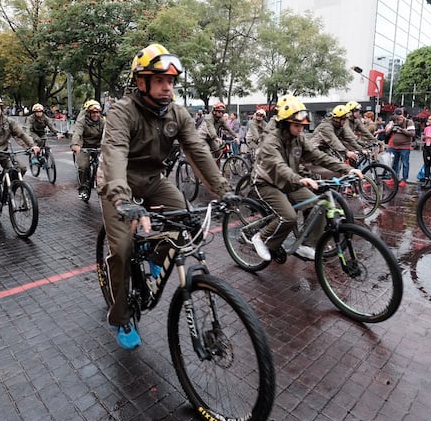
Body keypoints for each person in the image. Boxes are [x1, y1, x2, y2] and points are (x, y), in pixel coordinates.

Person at [98, 43, 236, 351]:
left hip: (153, 180)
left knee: (187, 220)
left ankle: (158, 257)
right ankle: (121, 316)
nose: (167, 87)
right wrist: (121, 198)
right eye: (160, 80)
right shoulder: (122, 112)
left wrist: (224, 190)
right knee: (121, 248)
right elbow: (116, 153)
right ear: (141, 81)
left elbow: (198, 151)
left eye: (171, 81)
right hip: (117, 183)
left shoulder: (178, 112)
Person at [248, 95, 365, 262]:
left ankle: (306, 244)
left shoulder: (300, 138)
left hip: (289, 182)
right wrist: (299, 179)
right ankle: (261, 238)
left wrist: (347, 169)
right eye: (296, 125)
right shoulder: (271, 141)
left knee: (319, 204)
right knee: (289, 217)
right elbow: (279, 166)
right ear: (285, 124)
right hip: (267, 183)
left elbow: (318, 156)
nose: (300, 129)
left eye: (302, 125)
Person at [70, 99, 105, 201]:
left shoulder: (103, 121)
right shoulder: (82, 121)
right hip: (83, 146)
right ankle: (83, 189)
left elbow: (107, 134)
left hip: (98, 145)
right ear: (88, 113)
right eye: (93, 112)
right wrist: (75, 145)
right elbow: (77, 133)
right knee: (83, 167)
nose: (96, 114)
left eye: (98, 112)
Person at [385, 108, 416, 188]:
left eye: (398, 120)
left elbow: (412, 133)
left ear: (402, 117)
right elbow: (387, 133)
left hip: (405, 146)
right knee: (394, 163)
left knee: (405, 163)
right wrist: (392, 127)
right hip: (395, 146)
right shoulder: (393, 122)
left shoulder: (409, 122)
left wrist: (402, 130)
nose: (397, 122)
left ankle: (404, 179)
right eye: (396, 120)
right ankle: (394, 178)